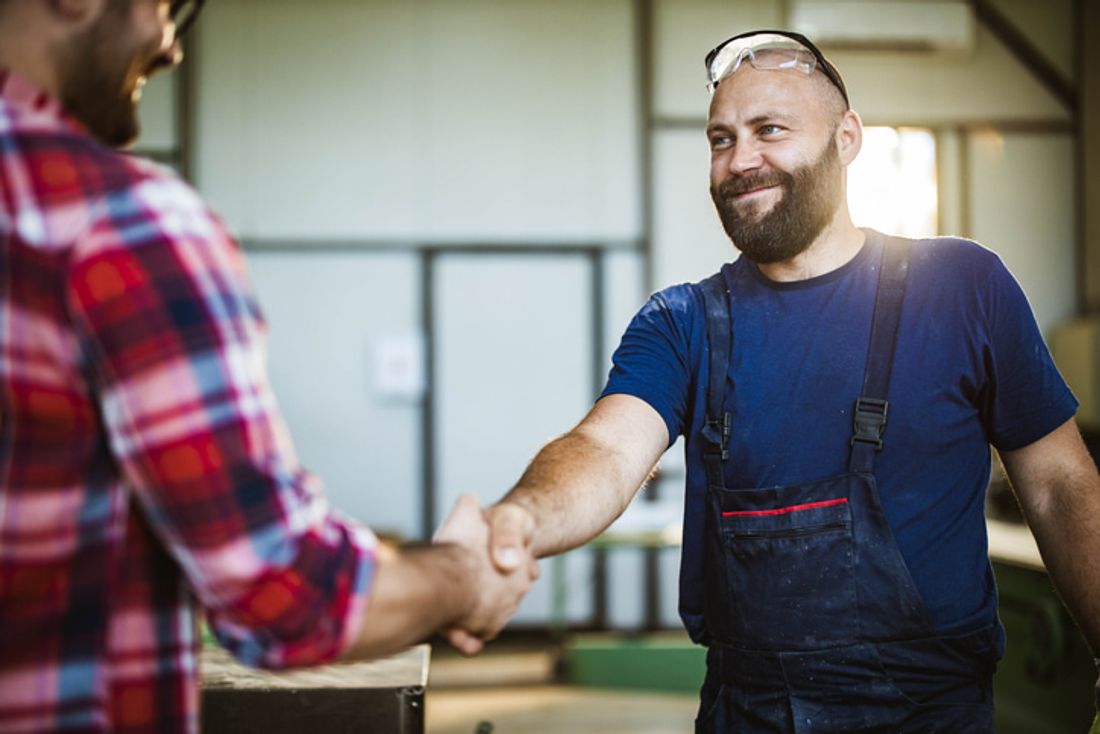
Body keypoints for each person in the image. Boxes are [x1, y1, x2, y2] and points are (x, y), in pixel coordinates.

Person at [470, 29, 1100, 732]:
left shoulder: (962, 287)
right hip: (750, 713)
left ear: (848, 137)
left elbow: (1058, 483)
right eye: (720, 139)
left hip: (934, 715)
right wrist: (520, 518)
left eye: (770, 130)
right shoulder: (682, 322)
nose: (741, 161)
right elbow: (606, 452)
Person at [0, 1, 535, 732]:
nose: (168, 48)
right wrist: (464, 576)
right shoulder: (114, 224)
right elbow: (282, 593)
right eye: (162, 7)